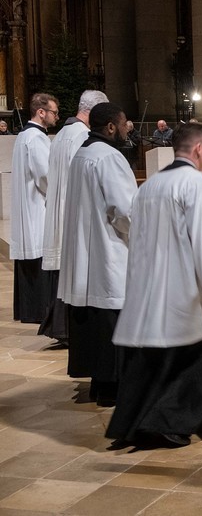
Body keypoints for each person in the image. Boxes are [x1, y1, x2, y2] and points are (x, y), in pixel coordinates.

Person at [107, 123, 202, 449]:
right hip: (183, 291)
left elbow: (135, 235)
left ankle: (134, 424)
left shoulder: (150, 185)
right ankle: (167, 422)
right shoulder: (197, 185)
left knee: (159, 360)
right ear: (198, 149)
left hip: (149, 291)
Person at [58, 102, 137, 406]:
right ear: (111, 127)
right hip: (108, 251)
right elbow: (124, 210)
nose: (128, 127)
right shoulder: (108, 157)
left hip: (86, 251)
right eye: (124, 123)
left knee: (94, 321)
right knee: (110, 320)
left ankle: (98, 383)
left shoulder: (82, 154)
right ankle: (112, 388)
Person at [40, 90, 109, 341]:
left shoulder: (61, 134)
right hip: (73, 212)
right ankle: (68, 330)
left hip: (59, 209)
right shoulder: (82, 136)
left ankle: (61, 328)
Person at [10, 93, 59, 324]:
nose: (56, 117)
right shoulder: (37, 138)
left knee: (30, 257)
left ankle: (28, 310)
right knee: (39, 253)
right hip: (37, 208)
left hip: (27, 208)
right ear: (41, 112)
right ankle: (40, 311)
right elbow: (45, 175)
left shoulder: (23, 136)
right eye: (54, 112)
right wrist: (59, 195)